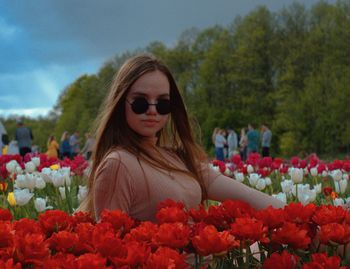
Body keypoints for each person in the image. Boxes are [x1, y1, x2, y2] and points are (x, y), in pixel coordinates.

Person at [78, 54, 284, 222]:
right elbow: (111, 249)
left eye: (162, 103)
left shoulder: (176, 158)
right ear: (121, 102)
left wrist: (302, 218)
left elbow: (250, 198)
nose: (152, 110)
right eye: (140, 102)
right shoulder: (118, 164)